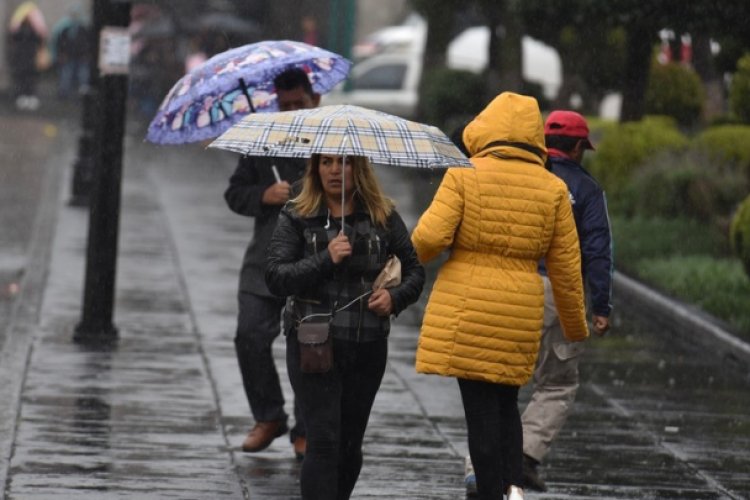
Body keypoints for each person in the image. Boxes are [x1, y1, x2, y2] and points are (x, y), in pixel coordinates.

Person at [411, 92, 589, 500]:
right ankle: (512, 490)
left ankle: (491, 492)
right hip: (520, 310)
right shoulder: (553, 188)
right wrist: (575, 326)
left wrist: (404, 260)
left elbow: (431, 237)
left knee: (479, 415)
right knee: (507, 404)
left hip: (467, 307)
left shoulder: (464, 173)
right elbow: (565, 265)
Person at [265, 153, 425, 499]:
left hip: (366, 344)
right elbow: (276, 277)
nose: (335, 170)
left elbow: (415, 271)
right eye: (326, 163)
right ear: (315, 168)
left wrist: (394, 300)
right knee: (323, 441)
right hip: (313, 342)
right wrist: (326, 258)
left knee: (350, 445)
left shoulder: (382, 215)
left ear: (359, 168)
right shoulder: (298, 214)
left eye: (344, 162)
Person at [224, 67, 320, 459]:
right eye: (286, 104)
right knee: (249, 335)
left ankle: (307, 428)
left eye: (300, 103)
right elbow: (235, 193)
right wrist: (265, 194)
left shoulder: (330, 140)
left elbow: (353, 191)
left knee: (310, 349)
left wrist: (303, 193)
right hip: (264, 259)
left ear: (314, 99)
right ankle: (269, 415)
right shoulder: (261, 141)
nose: (293, 110)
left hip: (314, 260)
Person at [519, 110, 613, 491]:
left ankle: (481, 465)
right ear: (577, 148)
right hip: (561, 291)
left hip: (514, 287)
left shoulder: (523, 175)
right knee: (556, 383)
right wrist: (601, 307)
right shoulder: (587, 189)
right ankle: (524, 456)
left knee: (497, 382)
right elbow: (598, 250)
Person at [7, 2, 47, 111]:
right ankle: (26, 97)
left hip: (26, 60)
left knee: (26, 79)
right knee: (27, 79)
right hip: (27, 60)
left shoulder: (20, 32)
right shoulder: (26, 32)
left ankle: (26, 97)